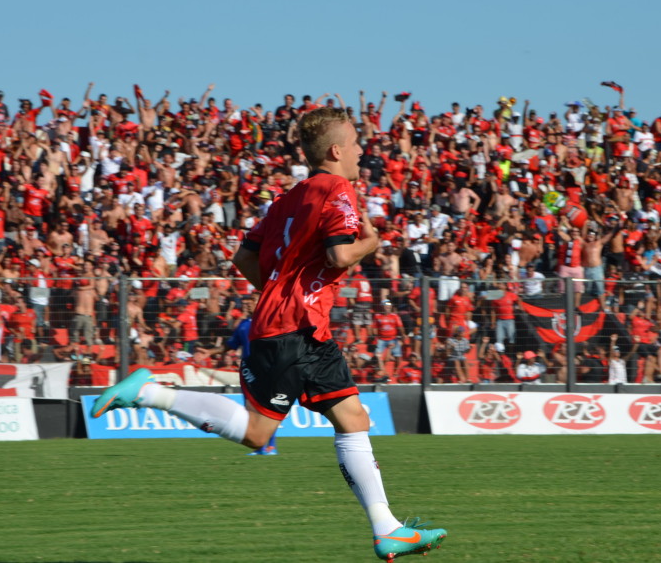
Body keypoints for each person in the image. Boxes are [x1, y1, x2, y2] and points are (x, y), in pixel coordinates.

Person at [91, 107, 446, 561]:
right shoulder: (338, 188)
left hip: (302, 327)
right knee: (259, 433)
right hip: (291, 329)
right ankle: (150, 394)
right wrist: (373, 243)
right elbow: (339, 257)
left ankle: (387, 529)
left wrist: (279, 290)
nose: (361, 152)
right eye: (356, 144)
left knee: (353, 418)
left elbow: (243, 259)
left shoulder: (287, 198)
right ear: (337, 150)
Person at [224, 294, 277, 456]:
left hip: (267, 369)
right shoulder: (243, 325)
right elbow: (232, 345)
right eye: (244, 303)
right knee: (251, 410)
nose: (246, 305)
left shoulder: (269, 321)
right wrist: (210, 351)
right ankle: (260, 447)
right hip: (248, 371)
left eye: (250, 302)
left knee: (268, 409)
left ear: (259, 303)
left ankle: (271, 446)